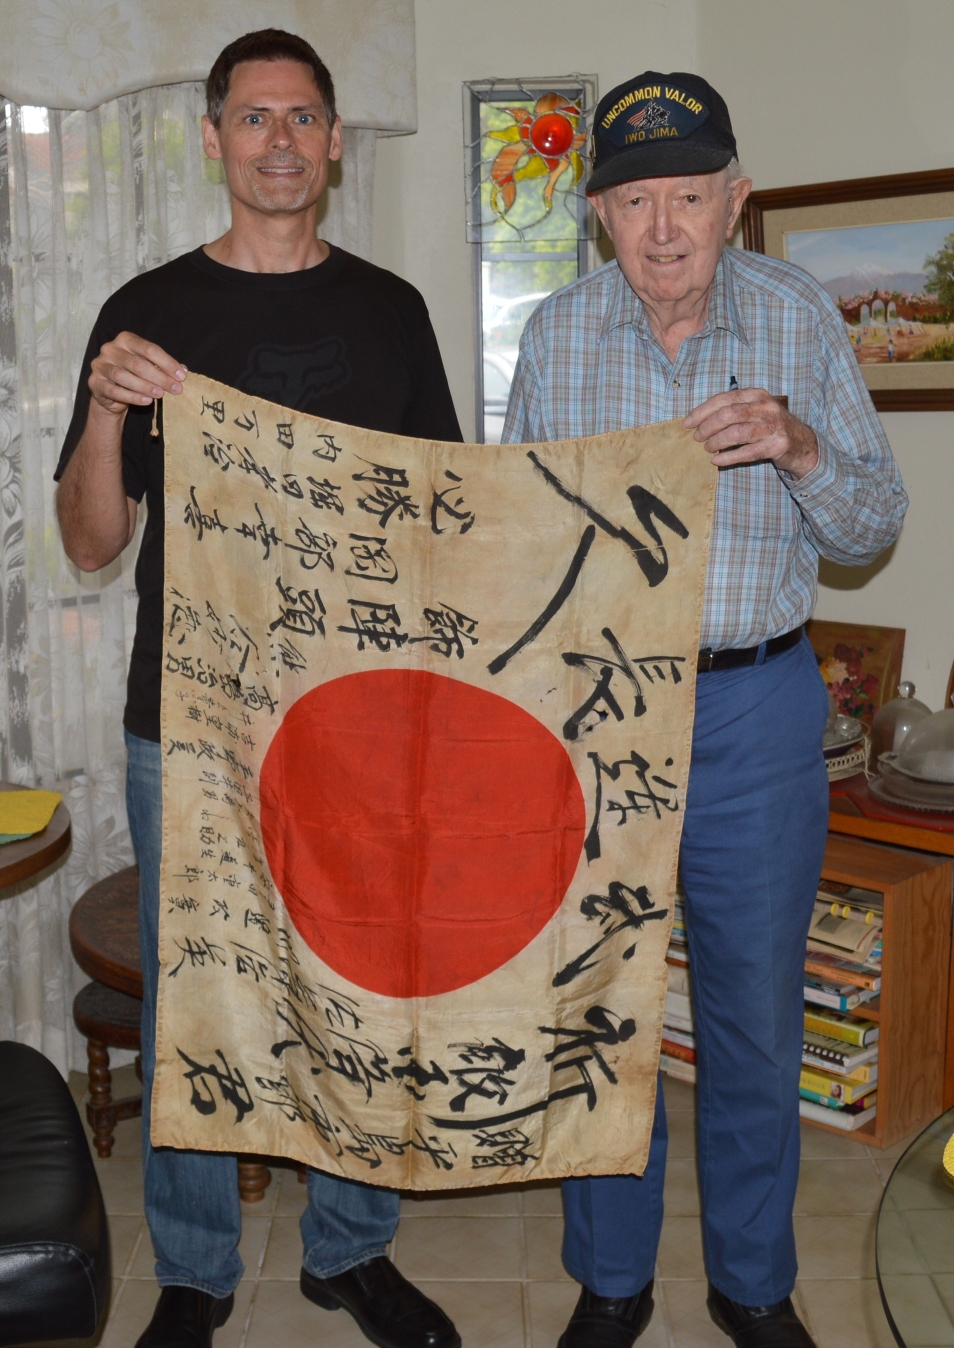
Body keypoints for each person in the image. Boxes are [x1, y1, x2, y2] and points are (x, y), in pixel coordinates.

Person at [55, 29, 463, 1348]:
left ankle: (349, 1250)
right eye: (252, 118)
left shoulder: (389, 309)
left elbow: (446, 519)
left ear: (334, 141)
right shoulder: (148, 312)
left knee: (351, 986)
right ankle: (195, 1269)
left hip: (349, 721)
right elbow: (88, 543)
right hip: (186, 721)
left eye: (302, 118)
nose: (278, 141)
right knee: (200, 997)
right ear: (216, 139)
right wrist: (112, 415)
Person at [503, 72, 907, 1348]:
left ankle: (751, 1281)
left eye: (690, 195)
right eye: (634, 200)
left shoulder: (796, 319)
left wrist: (796, 445)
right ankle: (610, 1278)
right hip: (599, 714)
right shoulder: (558, 338)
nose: (664, 226)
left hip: (754, 709)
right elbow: (517, 545)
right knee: (600, 1001)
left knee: (752, 1009)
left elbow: (874, 526)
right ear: (599, 216)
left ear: (735, 202)